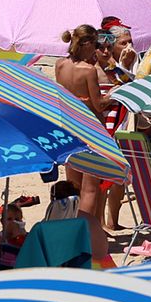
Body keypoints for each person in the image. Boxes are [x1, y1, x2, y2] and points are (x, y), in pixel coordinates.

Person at [55, 25, 111, 264]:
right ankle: (84, 238)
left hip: (67, 129)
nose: (97, 50)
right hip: (89, 131)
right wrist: (116, 93)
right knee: (90, 190)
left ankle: (69, 235)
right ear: (87, 44)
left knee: (73, 186)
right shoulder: (88, 71)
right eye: (96, 45)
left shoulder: (60, 65)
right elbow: (98, 105)